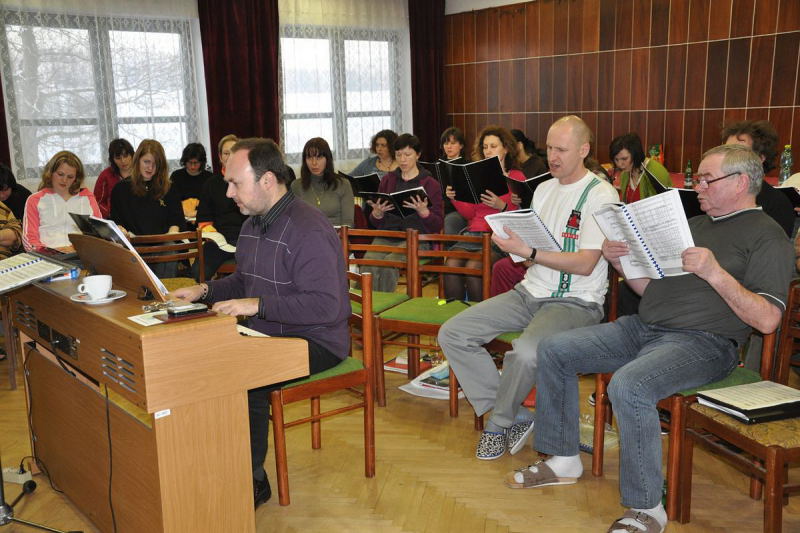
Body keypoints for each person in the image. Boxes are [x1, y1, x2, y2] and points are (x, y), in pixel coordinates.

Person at [526, 144, 793, 533]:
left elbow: (768, 320)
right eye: (699, 179)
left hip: (705, 342)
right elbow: (651, 290)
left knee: (629, 385)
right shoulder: (695, 225)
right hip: (646, 328)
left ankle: (647, 509)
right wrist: (619, 261)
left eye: (707, 179)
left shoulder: (768, 235)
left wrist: (714, 272)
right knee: (555, 348)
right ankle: (563, 458)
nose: (697, 187)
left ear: (740, 182)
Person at [172, 137, 350, 509]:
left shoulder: (308, 229)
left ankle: (252, 480)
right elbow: (244, 281)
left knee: (246, 377)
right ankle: (215, 462)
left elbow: (326, 306)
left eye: (235, 183)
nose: (228, 192)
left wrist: (257, 305)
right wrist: (203, 290)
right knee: (200, 359)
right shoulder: (253, 224)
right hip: (269, 331)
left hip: (315, 339)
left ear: (267, 180)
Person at [437, 115, 619, 460]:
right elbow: (533, 255)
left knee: (526, 352)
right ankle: (517, 414)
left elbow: (585, 263)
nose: (553, 156)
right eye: (549, 148)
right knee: (453, 333)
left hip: (575, 301)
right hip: (530, 291)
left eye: (561, 149)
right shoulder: (545, 189)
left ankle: (498, 423)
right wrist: (515, 247)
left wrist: (530, 252)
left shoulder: (601, 194)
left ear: (584, 150)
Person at [443, 126, 524, 301]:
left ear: (506, 149)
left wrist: (502, 206)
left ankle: (479, 315)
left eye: (493, 146)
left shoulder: (516, 176)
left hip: (498, 236)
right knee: (451, 266)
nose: (488, 151)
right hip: (474, 233)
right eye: (485, 147)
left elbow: (522, 217)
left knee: (474, 268)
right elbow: (469, 214)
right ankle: (455, 314)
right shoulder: (477, 176)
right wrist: (454, 198)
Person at [361, 133, 444, 292]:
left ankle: (383, 304)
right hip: (388, 235)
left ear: (418, 155)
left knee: (389, 264)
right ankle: (368, 304)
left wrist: (424, 212)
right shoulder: (388, 180)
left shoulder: (430, 184)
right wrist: (377, 214)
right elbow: (375, 222)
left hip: (416, 239)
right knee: (368, 263)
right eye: (398, 155)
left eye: (407, 154)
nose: (403, 160)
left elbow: (438, 224)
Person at [110, 139, 184, 277]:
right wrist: (121, 230)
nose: (150, 168)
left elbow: (177, 221)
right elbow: (116, 222)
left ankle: (163, 290)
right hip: (134, 248)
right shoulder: (120, 189)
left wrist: (170, 236)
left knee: (169, 249)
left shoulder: (169, 188)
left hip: (163, 248)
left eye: (155, 164)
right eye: (146, 162)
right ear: (137, 160)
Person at [721, 120, 794, 238]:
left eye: (738, 152)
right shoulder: (714, 192)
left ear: (760, 158)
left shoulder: (777, 204)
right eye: (726, 150)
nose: (727, 157)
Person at [22, 151, 101, 252]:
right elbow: (30, 239)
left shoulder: (88, 198)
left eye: (70, 177)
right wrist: (52, 252)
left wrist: (74, 249)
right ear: (50, 173)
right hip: (47, 256)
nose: (64, 180)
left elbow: (99, 235)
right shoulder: (35, 200)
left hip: (81, 255)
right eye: (60, 174)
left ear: (76, 178)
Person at [194, 134, 247, 281]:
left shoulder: (251, 181)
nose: (230, 157)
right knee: (198, 272)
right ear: (220, 157)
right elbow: (203, 220)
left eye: (234, 152)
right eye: (226, 153)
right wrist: (216, 237)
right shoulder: (211, 184)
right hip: (220, 242)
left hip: (247, 240)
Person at [290, 137, 354, 227]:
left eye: (319, 157)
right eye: (309, 157)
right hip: (306, 234)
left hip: (336, 234)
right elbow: (293, 221)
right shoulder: (296, 186)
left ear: (327, 159)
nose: (314, 163)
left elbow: (348, 223)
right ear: (305, 160)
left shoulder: (343, 184)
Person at [612, 132, 671, 203]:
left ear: (635, 154)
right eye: (616, 159)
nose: (619, 164)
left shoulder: (656, 171)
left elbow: (663, 203)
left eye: (624, 159)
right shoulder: (624, 174)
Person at [93, 138, 134, 218]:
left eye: (126, 156)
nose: (123, 161)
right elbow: (97, 202)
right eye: (118, 158)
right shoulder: (105, 175)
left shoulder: (141, 173)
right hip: (114, 219)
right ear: (112, 159)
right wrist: (111, 214)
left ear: (132, 155)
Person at [440, 127, 469, 236]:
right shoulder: (438, 164)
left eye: (453, 143)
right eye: (446, 143)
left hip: (458, 209)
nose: (449, 147)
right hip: (439, 207)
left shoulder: (467, 165)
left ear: (461, 145)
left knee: (449, 224)